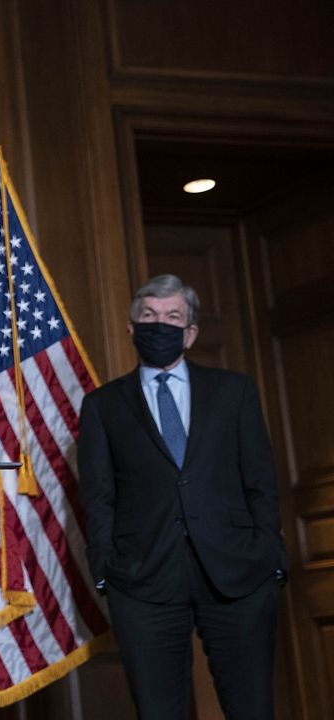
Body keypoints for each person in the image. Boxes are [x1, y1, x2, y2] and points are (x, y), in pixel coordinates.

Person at [79, 274, 288, 719]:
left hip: (238, 573)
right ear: (132, 328)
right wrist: (105, 571)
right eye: (149, 316)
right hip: (143, 579)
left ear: (190, 333)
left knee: (252, 708)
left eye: (172, 317)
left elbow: (261, 481)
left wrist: (270, 555)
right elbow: (97, 496)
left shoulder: (235, 392)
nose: (160, 325)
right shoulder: (103, 406)